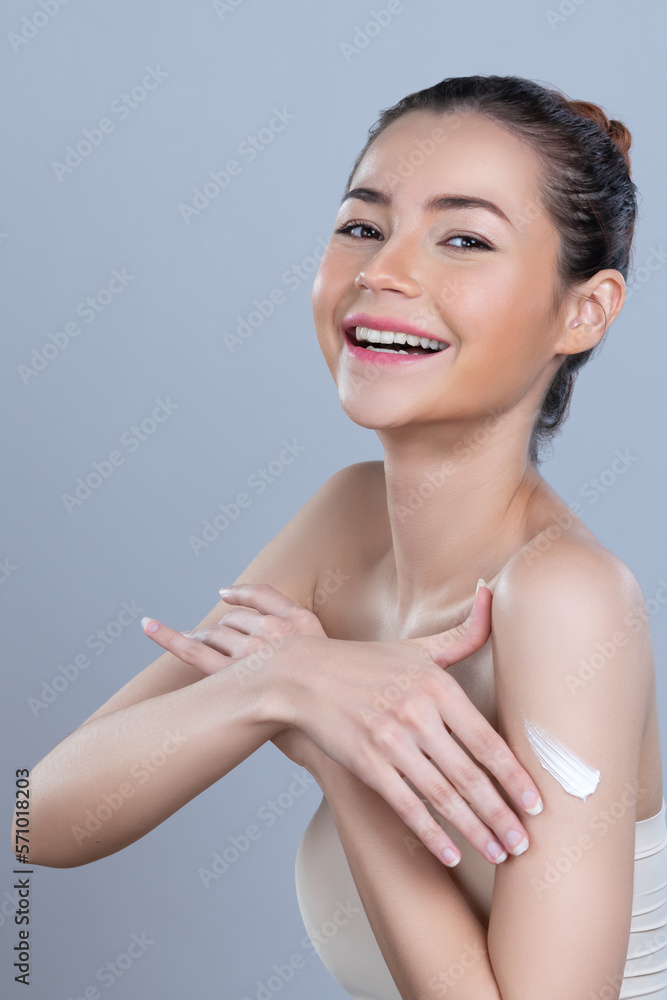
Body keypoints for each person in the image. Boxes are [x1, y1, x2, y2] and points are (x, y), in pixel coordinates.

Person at [14, 74, 666, 999]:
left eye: (464, 239)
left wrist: (337, 748)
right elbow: (41, 819)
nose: (381, 272)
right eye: (363, 225)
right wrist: (283, 680)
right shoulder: (346, 519)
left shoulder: (564, 597)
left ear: (584, 310)